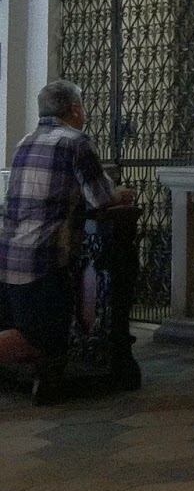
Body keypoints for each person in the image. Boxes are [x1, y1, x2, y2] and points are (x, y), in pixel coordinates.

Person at [0, 80, 133, 398]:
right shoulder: (76, 141)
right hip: (41, 258)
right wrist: (122, 194)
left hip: (7, 253)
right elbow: (100, 198)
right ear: (75, 109)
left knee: (20, 327)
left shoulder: (25, 142)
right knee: (42, 340)